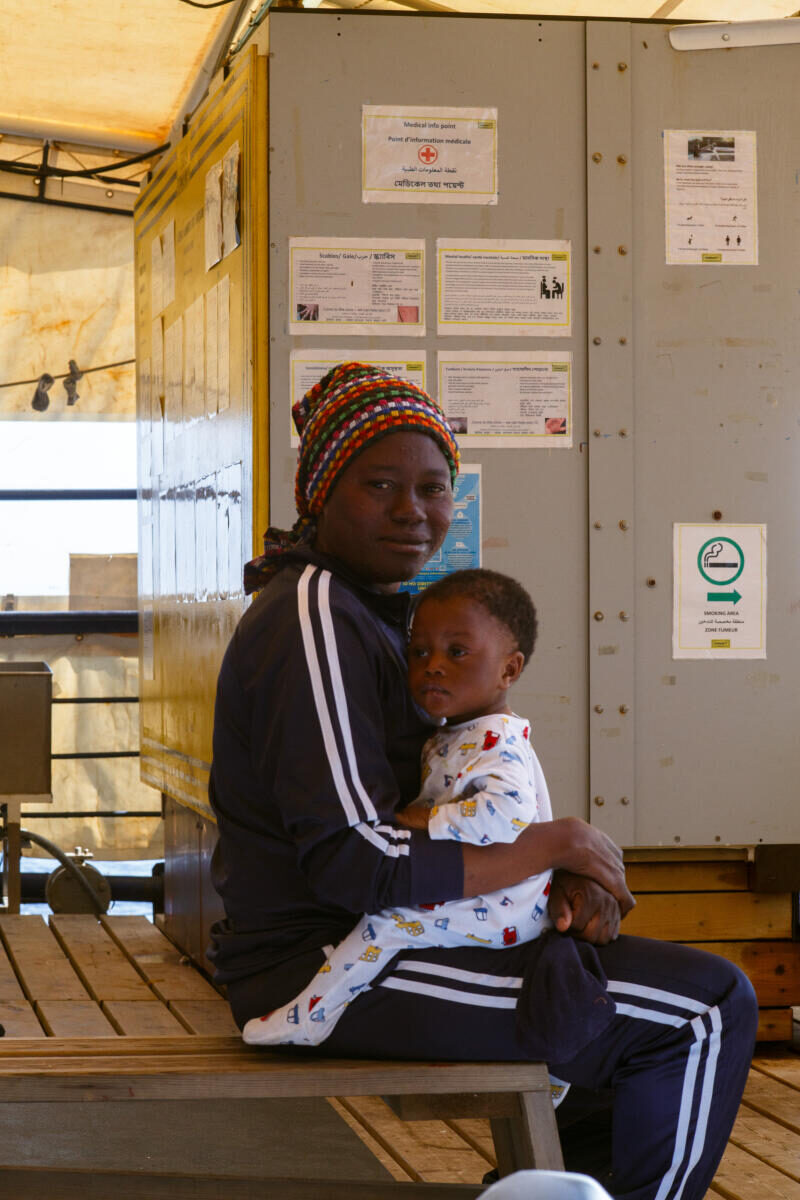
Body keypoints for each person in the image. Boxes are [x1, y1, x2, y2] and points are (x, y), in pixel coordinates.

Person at [208, 362, 757, 1200]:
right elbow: (353, 859)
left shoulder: (378, 612)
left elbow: (444, 803)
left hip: (403, 931)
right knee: (704, 1010)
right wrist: (555, 841)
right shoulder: (313, 613)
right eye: (379, 484)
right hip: (324, 966)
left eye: (433, 488)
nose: (410, 511)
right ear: (321, 492)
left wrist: (555, 871)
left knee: (640, 1001)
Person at [242, 568, 559, 1049]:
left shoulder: (499, 742)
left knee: (385, 924)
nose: (433, 665)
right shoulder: (459, 731)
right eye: (419, 652)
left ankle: (310, 1018)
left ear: (509, 670)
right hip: (495, 895)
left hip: (502, 904)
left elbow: (507, 812)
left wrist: (426, 821)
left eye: (457, 652)